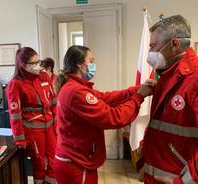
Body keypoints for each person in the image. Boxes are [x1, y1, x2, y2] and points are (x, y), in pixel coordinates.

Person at [54, 45, 156, 184]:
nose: (93, 65)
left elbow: (106, 97)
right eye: (91, 61)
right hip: (75, 163)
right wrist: (138, 97)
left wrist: (137, 89)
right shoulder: (77, 92)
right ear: (79, 65)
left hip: (76, 158)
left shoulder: (75, 87)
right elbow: (113, 118)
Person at [141, 15, 198, 184]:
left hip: (177, 178)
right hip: (156, 173)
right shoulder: (167, 75)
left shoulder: (194, 80)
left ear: (174, 44)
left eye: (153, 46)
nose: (150, 53)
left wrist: (186, 181)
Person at [6, 47, 57, 184]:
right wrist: (20, 139)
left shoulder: (44, 76)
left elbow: (53, 102)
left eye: (38, 61)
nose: (38, 66)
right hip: (33, 130)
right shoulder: (15, 85)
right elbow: (15, 114)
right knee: (40, 164)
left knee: (54, 162)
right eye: (33, 63)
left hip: (50, 127)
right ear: (22, 65)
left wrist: (57, 125)